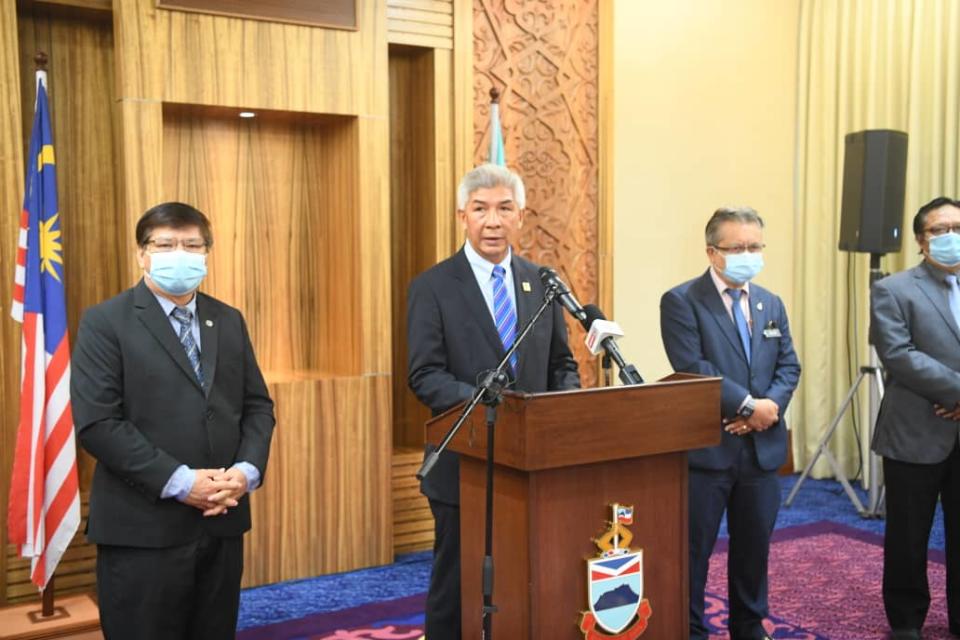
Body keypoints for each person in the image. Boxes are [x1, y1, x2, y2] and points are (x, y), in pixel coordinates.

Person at [71, 202, 276, 640]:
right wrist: (183, 482)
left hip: (222, 521)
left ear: (207, 253)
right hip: (143, 530)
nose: (179, 254)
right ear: (141, 254)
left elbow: (257, 406)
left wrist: (245, 473)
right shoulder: (106, 322)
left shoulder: (227, 319)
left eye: (191, 244)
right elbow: (99, 423)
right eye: (165, 245)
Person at [407, 164, 581, 639]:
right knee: (457, 583)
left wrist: (563, 411)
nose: (493, 221)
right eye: (481, 209)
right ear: (462, 215)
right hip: (463, 462)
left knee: (531, 575)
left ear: (521, 216)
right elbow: (424, 375)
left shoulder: (542, 281)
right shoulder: (433, 286)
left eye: (505, 209)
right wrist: (495, 412)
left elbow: (562, 364)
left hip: (534, 462)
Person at [660, 206, 800, 640]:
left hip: (762, 450)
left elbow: (789, 366)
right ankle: (690, 629)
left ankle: (748, 624)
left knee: (754, 547)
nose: (748, 254)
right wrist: (745, 407)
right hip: (708, 448)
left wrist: (768, 409)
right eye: (737, 247)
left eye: (755, 246)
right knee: (693, 551)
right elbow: (693, 366)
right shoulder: (681, 301)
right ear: (712, 252)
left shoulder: (769, 302)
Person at [871, 196, 960, 640]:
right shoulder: (894, 289)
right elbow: (899, 356)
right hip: (914, 430)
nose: (951, 237)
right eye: (939, 230)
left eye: (958, 228)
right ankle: (906, 621)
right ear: (922, 242)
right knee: (909, 535)